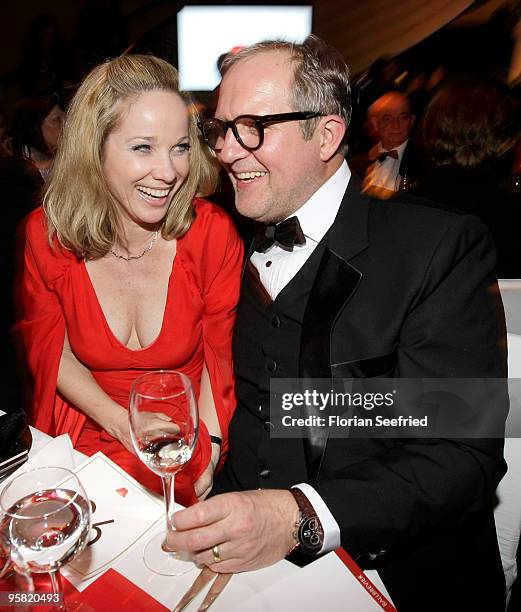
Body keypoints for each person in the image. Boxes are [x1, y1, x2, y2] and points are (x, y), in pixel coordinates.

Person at [170, 36, 508, 611]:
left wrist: (298, 516)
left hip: (392, 574)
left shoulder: (435, 246)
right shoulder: (219, 240)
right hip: (239, 566)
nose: (227, 151)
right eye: (221, 129)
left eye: (253, 125)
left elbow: (461, 453)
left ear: (326, 134)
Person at [16, 54, 243, 506]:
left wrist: (211, 450)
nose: (169, 172)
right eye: (143, 147)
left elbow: (219, 361)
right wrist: (121, 422)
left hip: (185, 440)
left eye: (180, 147)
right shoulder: (46, 236)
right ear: (94, 148)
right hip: (92, 429)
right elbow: (50, 352)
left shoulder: (210, 234)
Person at [349, 91, 417, 198]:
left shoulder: (423, 161)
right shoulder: (355, 164)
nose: (396, 125)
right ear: (375, 124)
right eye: (388, 119)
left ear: (412, 121)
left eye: (403, 117)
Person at [12, 96, 65, 181]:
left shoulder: (59, 158)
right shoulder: (23, 176)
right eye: (57, 119)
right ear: (34, 128)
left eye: (65, 117)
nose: (67, 123)